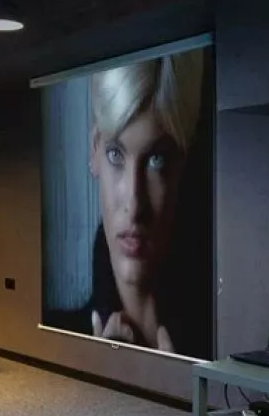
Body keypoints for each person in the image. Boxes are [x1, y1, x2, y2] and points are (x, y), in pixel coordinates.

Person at [48, 49, 208, 356]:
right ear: (95, 150)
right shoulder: (56, 341)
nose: (134, 205)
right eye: (115, 154)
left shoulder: (221, 342)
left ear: (183, 164)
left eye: (157, 160)